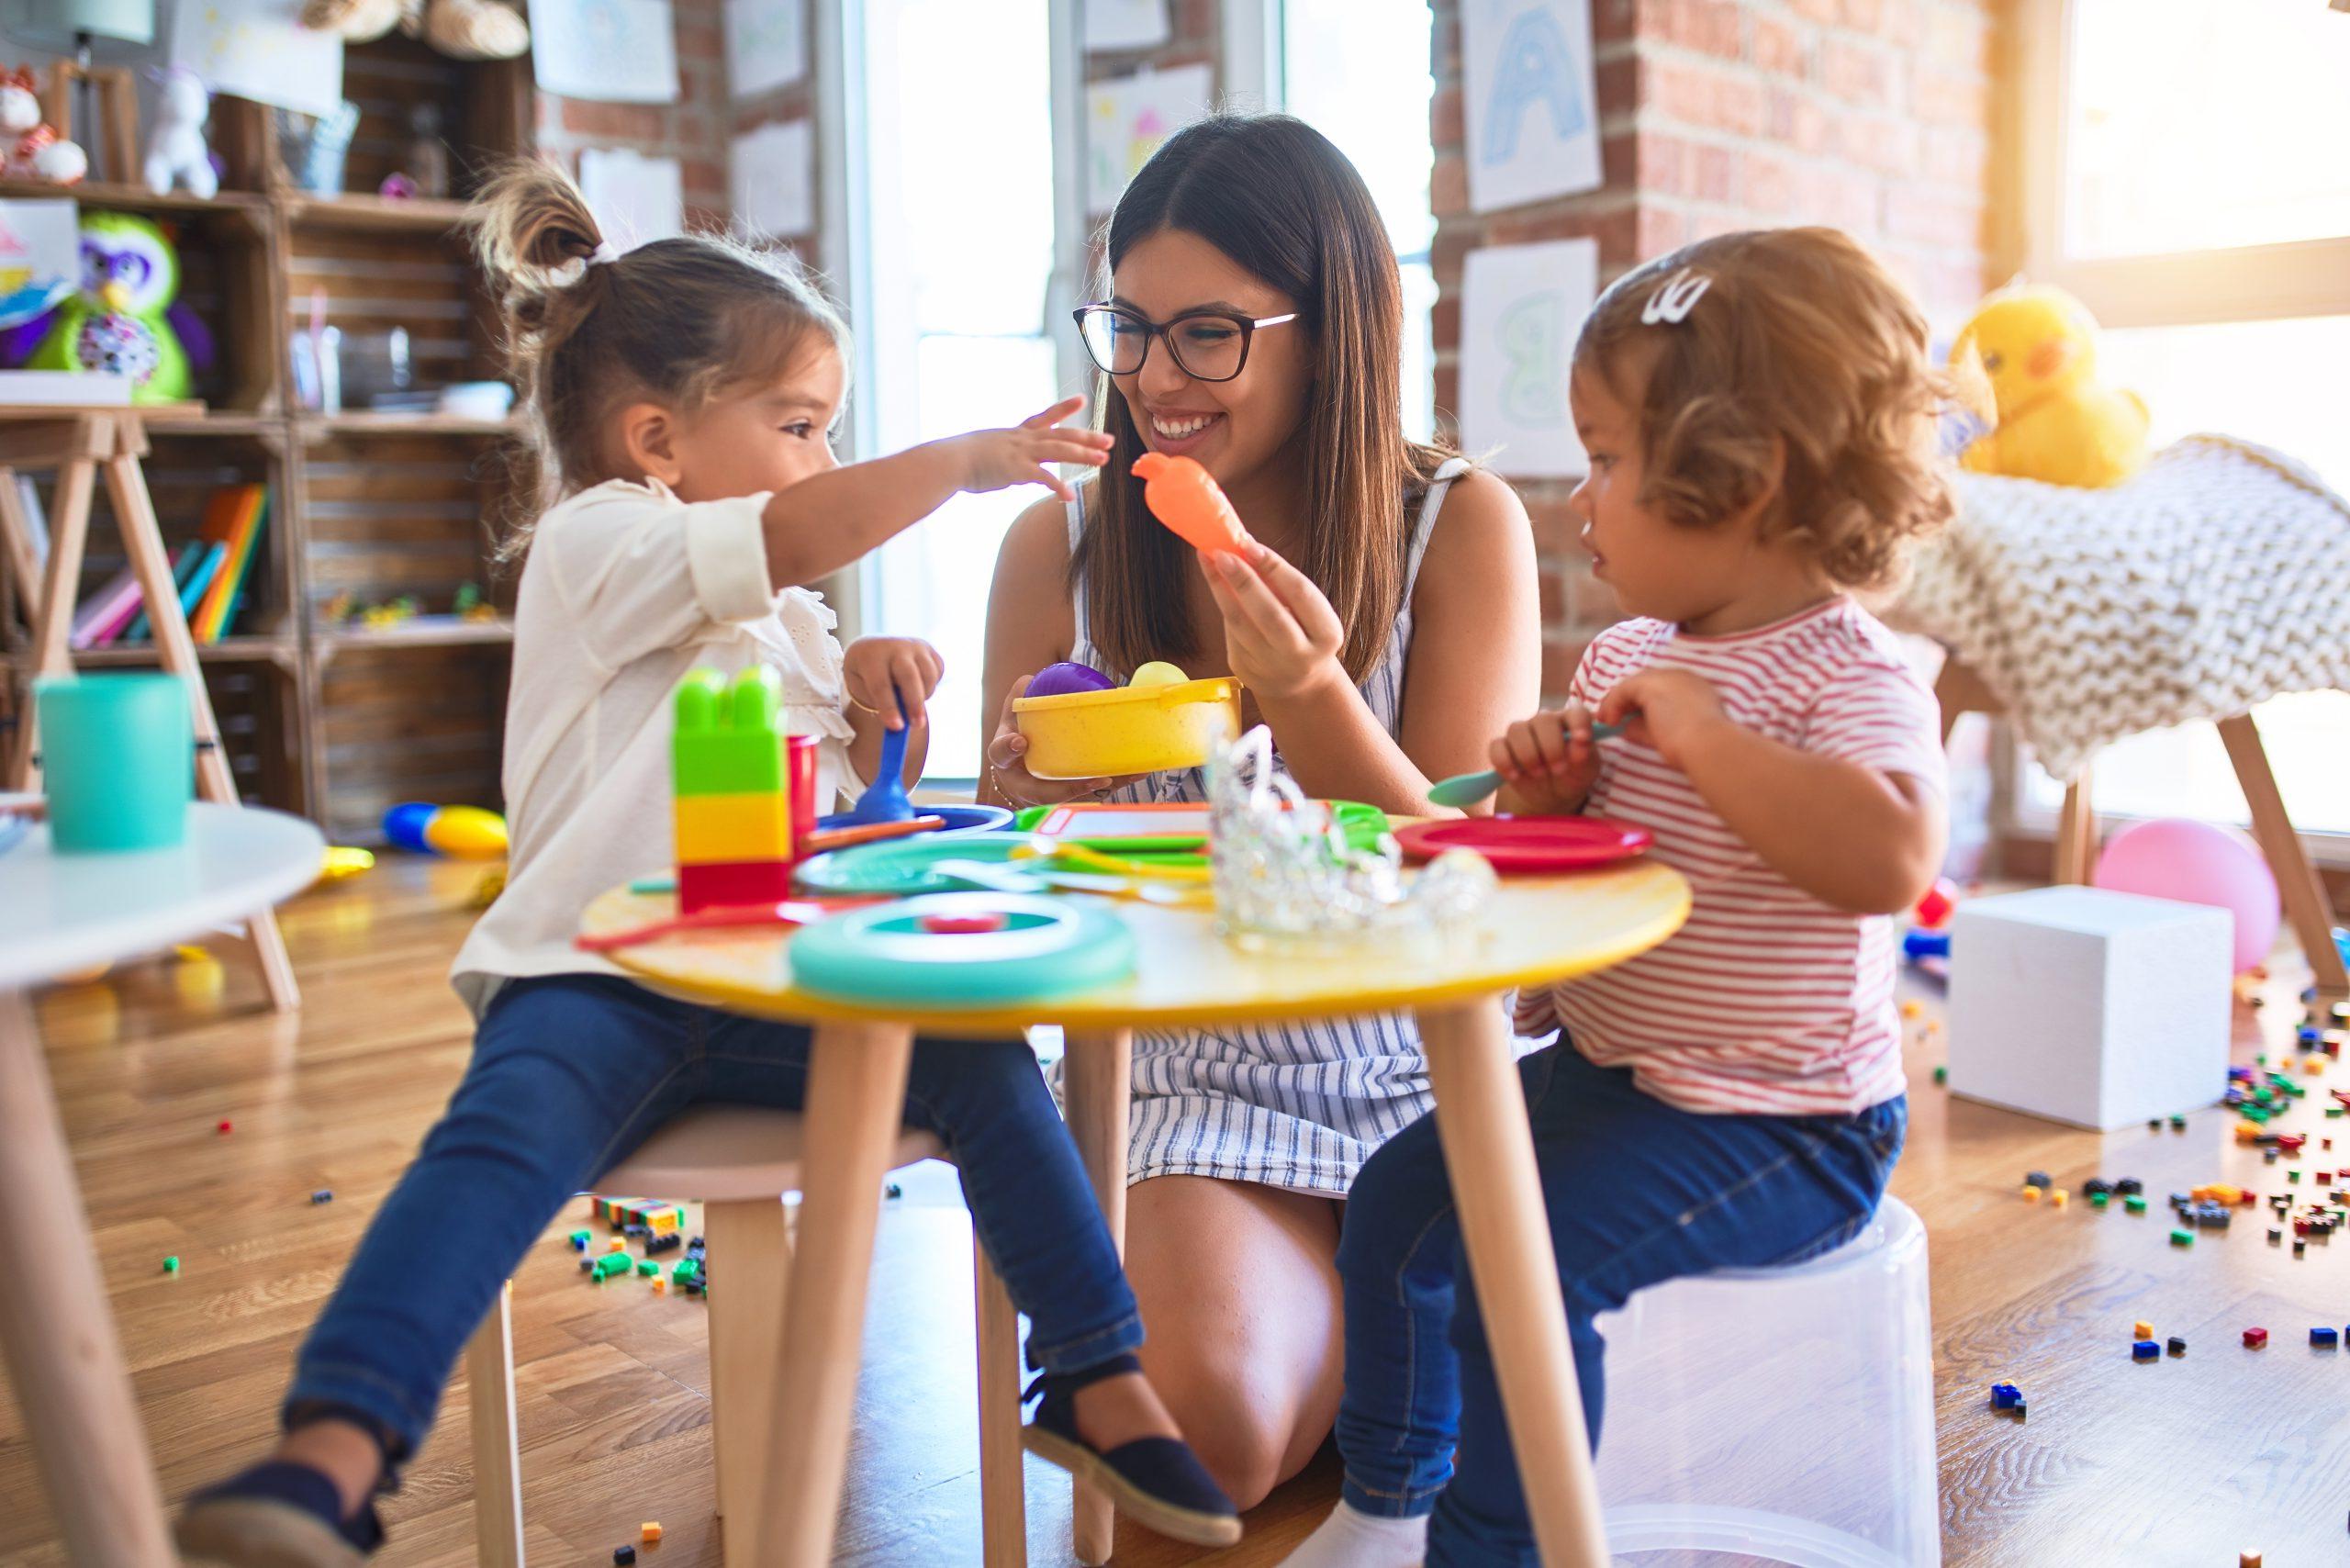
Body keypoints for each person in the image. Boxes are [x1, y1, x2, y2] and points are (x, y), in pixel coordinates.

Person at [174, 162, 1239, 1568]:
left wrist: (874, 719)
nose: (819, 460)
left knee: (980, 1057)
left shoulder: (789, 615)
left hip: (774, 987)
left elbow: (836, 825)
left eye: (829, 433)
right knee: (490, 1148)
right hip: (592, 980)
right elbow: (794, 529)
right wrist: (959, 465)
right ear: (656, 438)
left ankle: (1099, 1382)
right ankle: (334, 1450)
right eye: (800, 425)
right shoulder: (599, 542)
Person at [1287, 227, 1951, 1567]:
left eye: (1606, 461)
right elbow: (1587, 860)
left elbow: (1891, 858)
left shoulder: (1849, 674)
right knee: (1397, 1205)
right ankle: (1385, 1507)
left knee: (1521, 1269)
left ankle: (1501, 1554)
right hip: (1614, 1075)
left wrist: (1710, 740)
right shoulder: (1632, 655)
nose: (1580, 502)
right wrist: (1547, 796)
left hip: (1788, 1123)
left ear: (1743, 483)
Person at [980, 113, 1542, 1506]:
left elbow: (1452, 870)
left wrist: (1308, 693)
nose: (1157, 379)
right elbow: (1025, 868)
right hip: (1181, 1078)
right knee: (1206, 1437)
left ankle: (1414, 1351)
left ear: (1329, 327)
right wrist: (1024, 798)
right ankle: (1414, 1362)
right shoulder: (1058, 543)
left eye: (1209, 335)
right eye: (1131, 326)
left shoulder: (1454, 528)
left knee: (1335, 1402)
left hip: (1418, 1072)